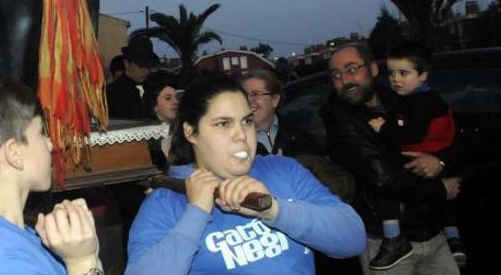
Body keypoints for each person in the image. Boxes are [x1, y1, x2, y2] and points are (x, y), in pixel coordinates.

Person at [126, 76, 365, 274]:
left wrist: (274, 209)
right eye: (223, 124)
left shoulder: (283, 170)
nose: (242, 135)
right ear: (191, 132)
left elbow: (352, 239)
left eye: (247, 121)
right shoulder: (166, 202)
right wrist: (196, 213)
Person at [0, 79, 104, 275]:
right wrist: (82, 261)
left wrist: (86, 249)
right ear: (14, 154)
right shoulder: (2, 264)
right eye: (41, 133)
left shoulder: (12, 234)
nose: (50, 144)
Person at [321, 43, 462, 274]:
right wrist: (439, 189)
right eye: (336, 75)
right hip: (384, 243)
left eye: (352, 69)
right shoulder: (340, 121)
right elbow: (384, 178)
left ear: (374, 69)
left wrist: (440, 162)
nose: (345, 80)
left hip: (431, 233)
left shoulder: (403, 98)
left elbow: (449, 137)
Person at [364, 42, 465, 269]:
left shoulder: (418, 101)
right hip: (436, 155)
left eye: (404, 73)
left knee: (386, 184)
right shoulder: (421, 97)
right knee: (445, 199)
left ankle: (392, 237)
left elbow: (412, 132)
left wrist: (383, 128)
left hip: (423, 154)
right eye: (391, 73)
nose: (396, 79)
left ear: (423, 75)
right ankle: (454, 240)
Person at [106, 36, 160, 120]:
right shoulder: (110, 93)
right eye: (141, 66)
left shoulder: (154, 90)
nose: (146, 71)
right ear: (126, 64)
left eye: (148, 66)